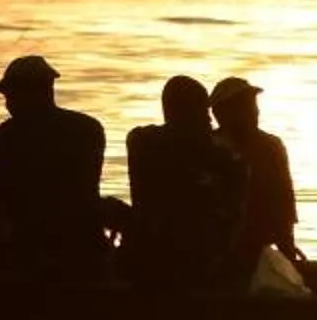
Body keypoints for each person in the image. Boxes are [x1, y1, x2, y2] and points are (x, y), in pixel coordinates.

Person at [0, 54, 107, 276]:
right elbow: (85, 191)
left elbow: (3, 196)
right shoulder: (88, 129)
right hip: (85, 247)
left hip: (28, 252)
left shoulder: (7, 135)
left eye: (10, 95)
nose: (8, 104)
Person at [124, 75, 245, 288]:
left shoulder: (222, 156)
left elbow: (233, 215)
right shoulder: (149, 144)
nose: (209, 121)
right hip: (171, 261)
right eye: (202, 112)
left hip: (201, 261)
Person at [211, 74, 304, 273]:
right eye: (243, 106)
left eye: (252, 105)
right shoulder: (209, 148)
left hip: (259, 250)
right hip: (217, 253)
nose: (253, 112)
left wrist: (288, 256)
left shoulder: (271, 147)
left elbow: (284, 206)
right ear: (221, 113)